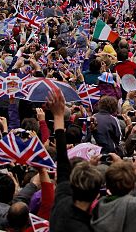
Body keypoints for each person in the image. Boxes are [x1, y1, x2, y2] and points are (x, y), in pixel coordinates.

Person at [48, 88, 102, 231]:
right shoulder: (86, 227)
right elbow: (63, 162)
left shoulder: (62, 201)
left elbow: (62, 159)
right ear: (96, 195)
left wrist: (58, 116)